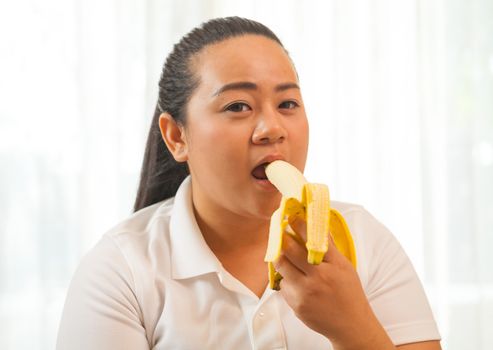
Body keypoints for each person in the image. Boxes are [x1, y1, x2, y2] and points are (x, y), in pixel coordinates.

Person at [56, 16, 442, 350]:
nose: (272, 128)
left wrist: (353, 328)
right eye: (237, 106)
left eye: (288, 104)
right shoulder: (121, 270)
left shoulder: (364, 240)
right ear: (177, 136)